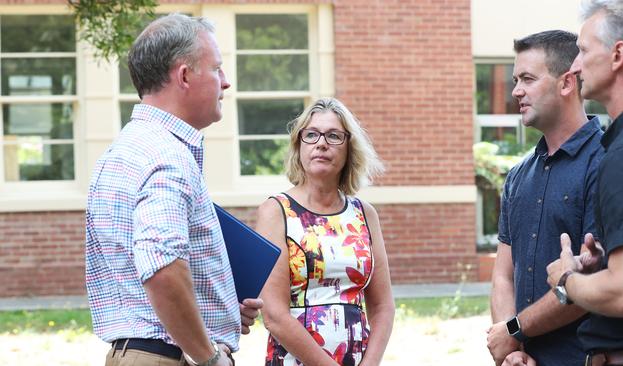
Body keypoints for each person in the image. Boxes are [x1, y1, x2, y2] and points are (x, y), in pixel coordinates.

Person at [85, 14, 262, 366]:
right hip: (168, 358)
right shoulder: (167, 155)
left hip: (138, 352)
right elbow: (162, 268)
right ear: (184, 76)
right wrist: (209, 357)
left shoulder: (123, 149)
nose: (226, 83)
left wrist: (220, 305)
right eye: (217, 69)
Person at [487, 30, 605, 366]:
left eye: (527, 78)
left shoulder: (607, 163)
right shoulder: (518, 175)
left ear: (567, 83)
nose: (515, 91)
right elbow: (503, 274)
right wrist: (512, 350)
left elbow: (592, 284)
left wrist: (513, 330)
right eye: (515, 79)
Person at [546, 1, 623, 365]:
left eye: (583, 51)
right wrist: (609, 264)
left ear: (618, 54)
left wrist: (566, 280)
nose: (574, 65)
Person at [255, 97, 395, 366]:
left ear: (349, 149)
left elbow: (383, 306)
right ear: (298, 146)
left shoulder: (364, 214)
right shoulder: (276, 212)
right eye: (311, 135)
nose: (321, 143)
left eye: (333, 136)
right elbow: (274, 314)